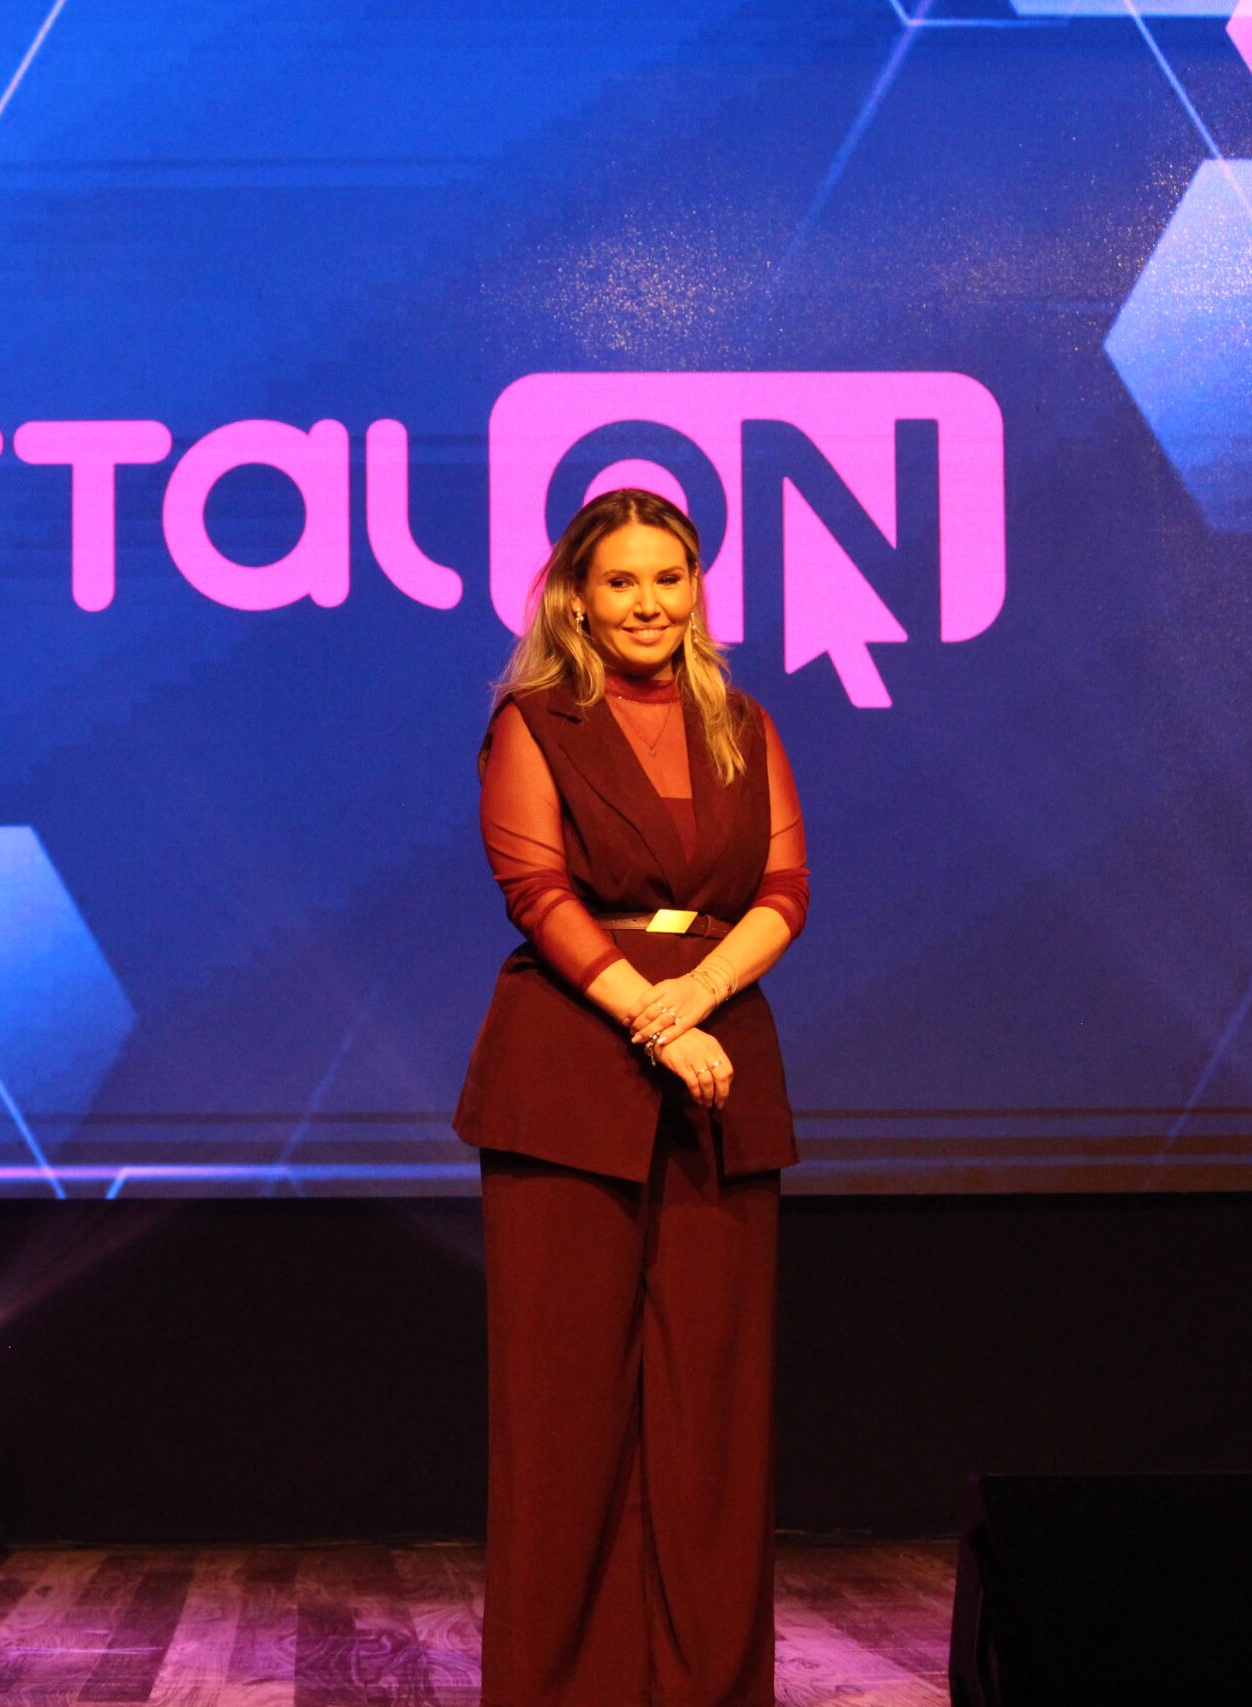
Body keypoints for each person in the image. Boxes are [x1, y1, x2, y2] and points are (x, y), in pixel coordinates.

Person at [455, 488, 811, 1705]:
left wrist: (698, 994)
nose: (649, 602)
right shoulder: (534, 723)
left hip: (721, 1069)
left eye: (669, 577)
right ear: (576, 597)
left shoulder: (742, 723)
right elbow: (537, 894)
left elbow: (783, 889)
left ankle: (707, 1684)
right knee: (565, 1410)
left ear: (697, 588)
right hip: (570, 1076)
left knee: (715, 1411)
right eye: (621, 581)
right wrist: (654, 1019)